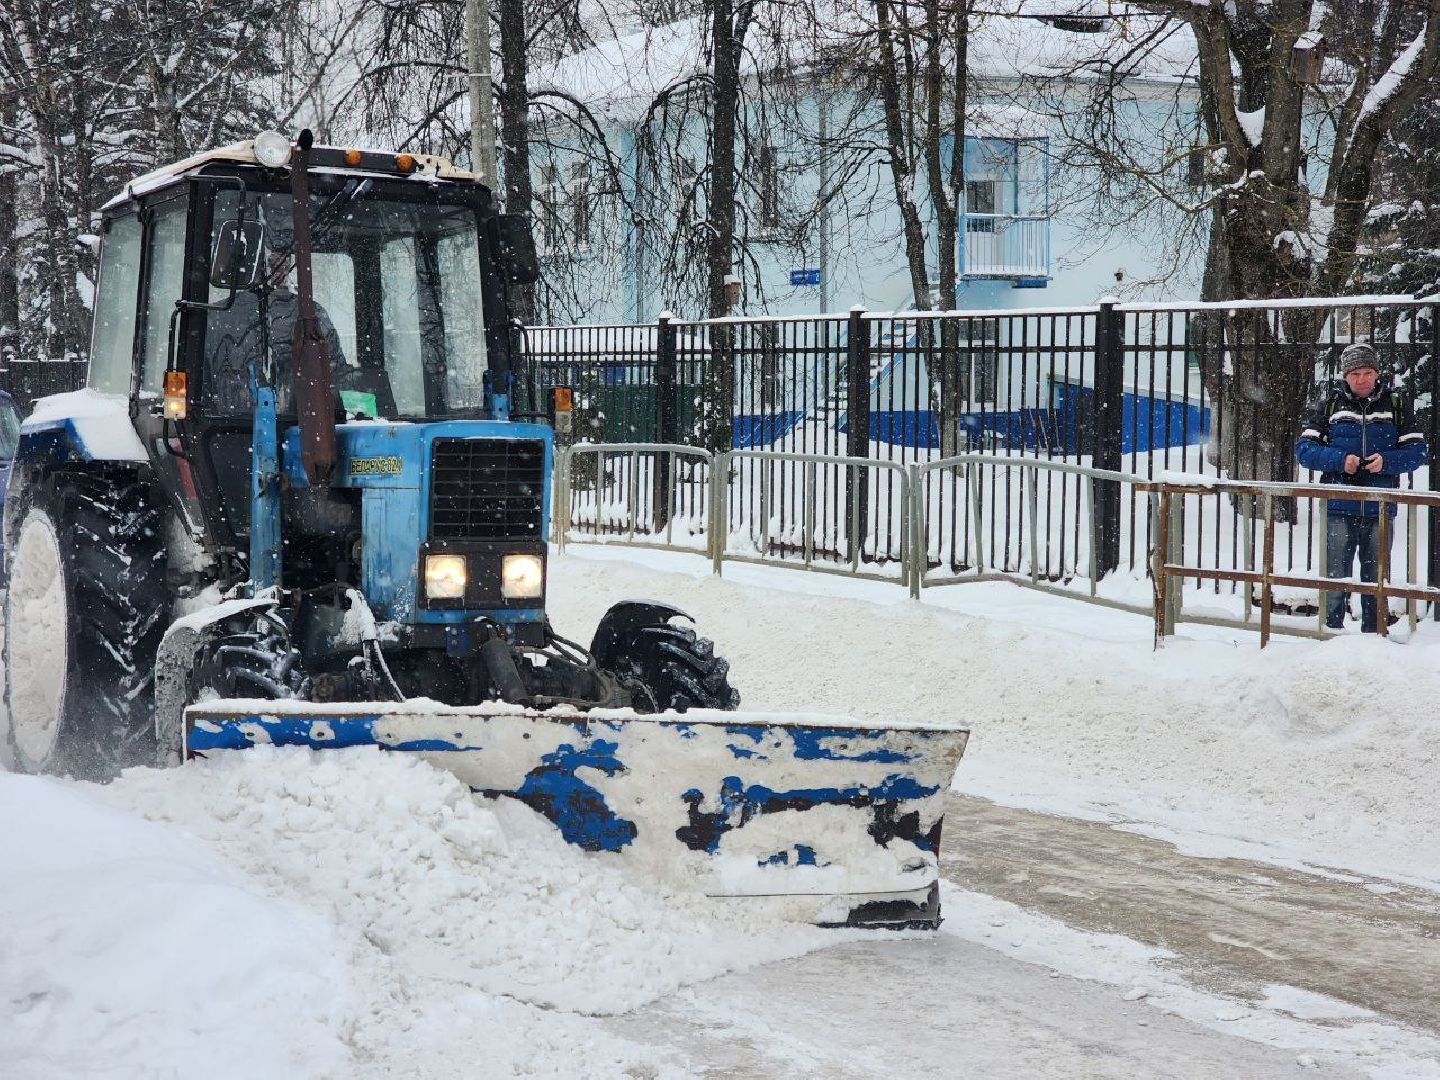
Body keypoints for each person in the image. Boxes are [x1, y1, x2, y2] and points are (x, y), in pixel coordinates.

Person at [1294, 342, 1426, 632]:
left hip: (1380, 505)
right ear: (1345, 376)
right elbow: (1303, 449)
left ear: (1377, 374)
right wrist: (1341, 460)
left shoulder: (1395, 404)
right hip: (1340, 504)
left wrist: (1387, 462)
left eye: (1368, 372)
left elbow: (1418, 451)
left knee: (1376, 578)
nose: (1362, 379)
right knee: (1335, 577)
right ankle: (1331, 633)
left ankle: (1374, 633)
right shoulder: (1329, 404)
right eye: (1355, 374)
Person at [203, 217, 347, 416]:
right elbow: (204, 387)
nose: (277, 265)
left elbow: (336, 377)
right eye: (269, 258)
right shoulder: (220, 317)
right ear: (251, 262)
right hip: (235, 428)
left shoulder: (311, 315)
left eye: (284, 256)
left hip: (303, 427)